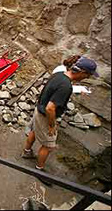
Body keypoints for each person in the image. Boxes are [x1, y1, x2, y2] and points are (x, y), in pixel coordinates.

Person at [21, 57, 98, 185]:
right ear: (82, 72)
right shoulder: (66, 86)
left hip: (38, 109)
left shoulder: (59, 74)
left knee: (35, 130)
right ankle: (39, 170)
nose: (86, 78)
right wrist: (52, 125)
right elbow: (50, 108)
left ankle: (26, 152)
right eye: (88, 75)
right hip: (45, 116)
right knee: (48, 145)